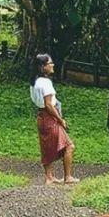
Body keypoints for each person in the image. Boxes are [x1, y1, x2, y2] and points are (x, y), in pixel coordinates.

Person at [30, 53, 79, 184]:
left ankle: (49, 176)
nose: (52, 65)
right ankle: (68, 176)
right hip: (49, 117)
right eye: (50, 63)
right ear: (42, 66)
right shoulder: (46, 82)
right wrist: (60, 119)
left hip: (41, 117)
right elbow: (49, 105)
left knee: (47, 146)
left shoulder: (34, 82)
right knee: (69, 146)